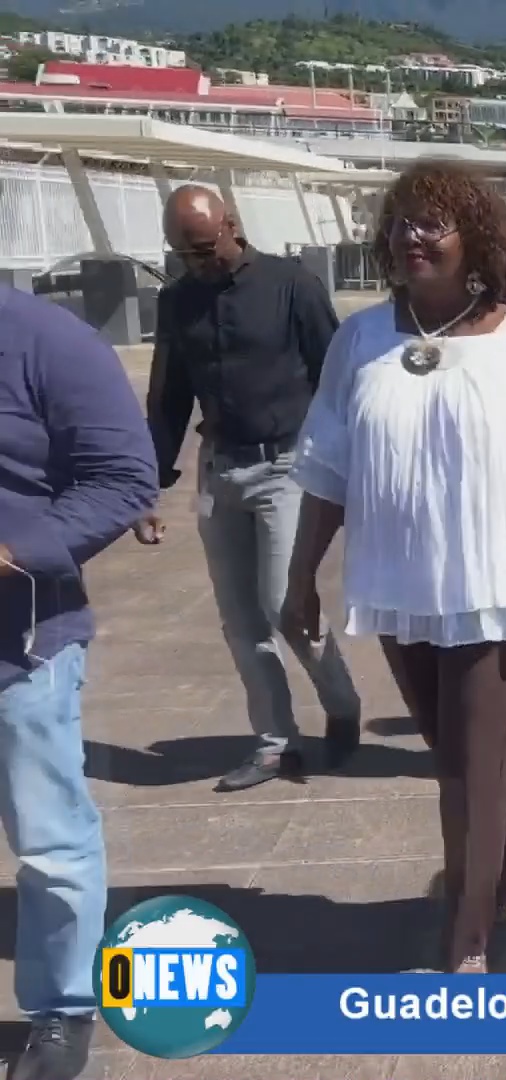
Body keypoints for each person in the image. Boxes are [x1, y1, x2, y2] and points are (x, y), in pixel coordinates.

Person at [280, 161, 506, 974]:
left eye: (433, 224)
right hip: (399, 585)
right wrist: (299, 579)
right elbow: (328, 467)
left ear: (477, 239)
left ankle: (470, 937)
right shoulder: (361, 338)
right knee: (458, 757)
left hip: (503, 580)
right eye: (400, 224)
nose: (412, 238)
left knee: (465, 770)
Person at [138, 185, 362, 792]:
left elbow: (336, 378)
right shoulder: (178, 300)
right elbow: (167, 399)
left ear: (232, 226)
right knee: (240, 620)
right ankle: (275, 742)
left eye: (205, 249)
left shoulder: (293, 286)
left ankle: (341, 705)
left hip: (287, 468)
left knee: (285, 607)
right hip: (221, 469)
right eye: (184, 253)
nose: (197, 263)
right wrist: (146, 486)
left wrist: (344, 468)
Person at [1, 285, 157, 1080]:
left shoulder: (48, 342)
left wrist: (18, 549)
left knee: (49, 837)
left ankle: (62, 1009)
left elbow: (124, 478)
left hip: (19, 644)